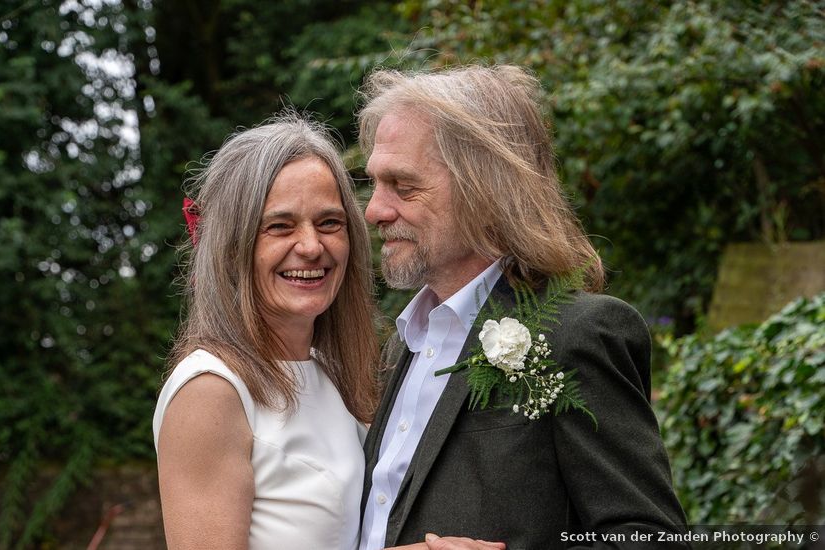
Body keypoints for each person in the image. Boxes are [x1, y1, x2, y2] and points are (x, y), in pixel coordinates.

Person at [357, 65, 689, 549]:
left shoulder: (578, 334)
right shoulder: (400, 348)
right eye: (375, 183)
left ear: (486, 187)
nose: (374, 210)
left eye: (403, 186)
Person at [153, 113, 379, 549]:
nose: (312, 247)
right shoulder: (210, 391)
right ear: (232, 246)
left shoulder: (336, 372)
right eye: (280, 226)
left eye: (329, 223)